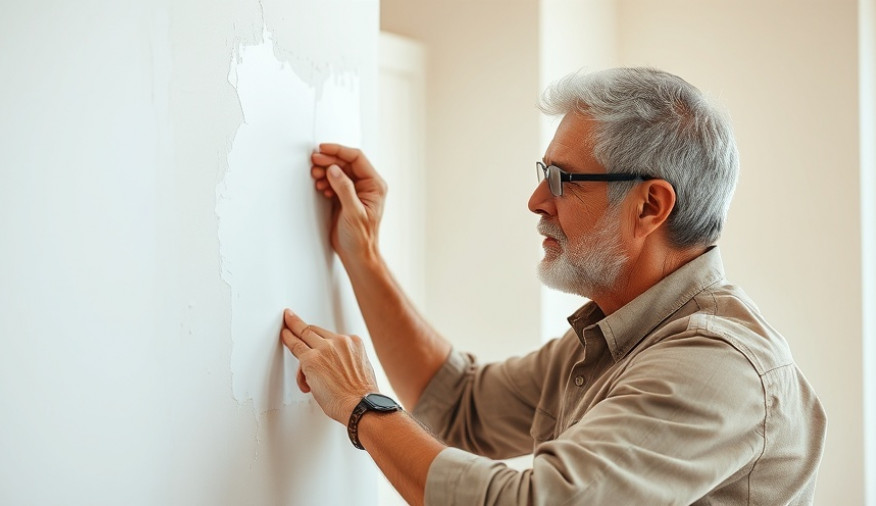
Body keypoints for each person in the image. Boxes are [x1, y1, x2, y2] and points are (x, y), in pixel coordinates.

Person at [280, 67, 827, 505]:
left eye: (563, 179)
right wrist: (363, 254)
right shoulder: (620, 331)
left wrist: (362, 407)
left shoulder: (715, 364)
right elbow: (461, 406)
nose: (537, 200)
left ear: (650, 206)